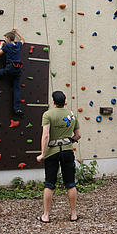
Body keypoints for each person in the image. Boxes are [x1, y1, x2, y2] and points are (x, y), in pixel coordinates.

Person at [36, 91, 81, 223]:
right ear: (65, 102)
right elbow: (78, 135)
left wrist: (43, 154)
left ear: (53, 102)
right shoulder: (72, 115)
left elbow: (46, 135)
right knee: (70, 183)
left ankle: (46, 215)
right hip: (68, 152)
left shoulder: (48, 114)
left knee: (49, 183)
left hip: (52, 153)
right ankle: (73, 214)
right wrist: (69, 141)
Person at [0, 28, 25, 117]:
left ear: (8, 38)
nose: (5, 39)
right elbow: (23, 40)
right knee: (16, 88)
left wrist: (1, 45)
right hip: (18, 70)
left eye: (6, 38)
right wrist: (17, 32)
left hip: (10, 69)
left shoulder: (7, 46)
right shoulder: (18, 45)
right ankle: (17, 109)